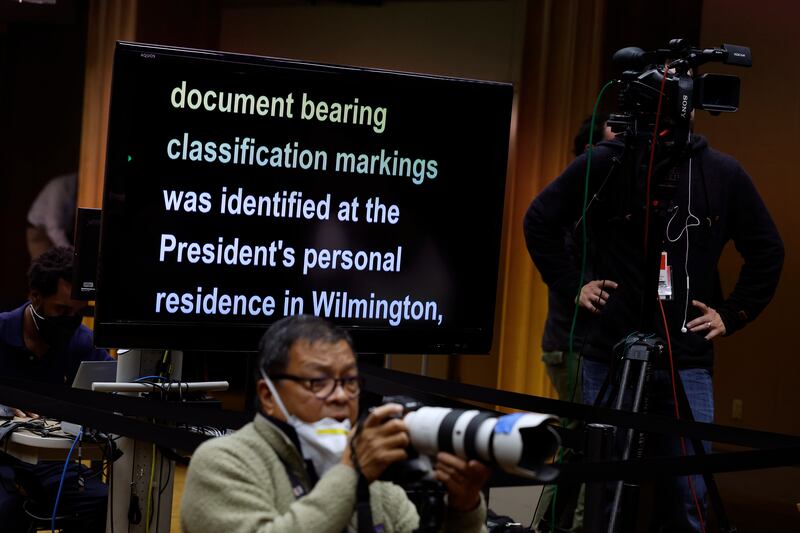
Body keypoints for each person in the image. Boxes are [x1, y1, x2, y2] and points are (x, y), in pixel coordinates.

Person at [524, 121, 784, 532]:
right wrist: (572, 284)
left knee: (689, 490)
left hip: (686, 356)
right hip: (609, 351)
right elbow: (539, 220)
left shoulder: (721, 172)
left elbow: (767, 249)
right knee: (603, 485)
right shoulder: (605, 163)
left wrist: (733, 314)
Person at [181, 314, 490, 533]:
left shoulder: (378, 485)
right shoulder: (223, 462)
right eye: (319, 382)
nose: (341, 396)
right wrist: (351, 476)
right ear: (268, 395)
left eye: (350, 382)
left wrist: (462, 511)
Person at [531, 114, 616, 533]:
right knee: (590, 446)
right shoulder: (575, 208)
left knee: (579, 447)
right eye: (612, 144)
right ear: (590, 154)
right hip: (572, 347)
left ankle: (546, 525)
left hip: (571, 345)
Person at [0, 245, 111, 532]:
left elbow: (113, 388)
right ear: (35, 296)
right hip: (2, 457)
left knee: (102, 501)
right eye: (61, 310)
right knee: (6, 509)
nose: (70, 321)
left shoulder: (82, 341)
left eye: (78, 313)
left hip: (49, 462)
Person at [26, 172, 77, 259]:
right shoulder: (60, 187)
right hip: (40, 232)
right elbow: (53, 228)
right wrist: (71, 253)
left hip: (57, 232)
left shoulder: (74, 187)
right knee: (44, 269)